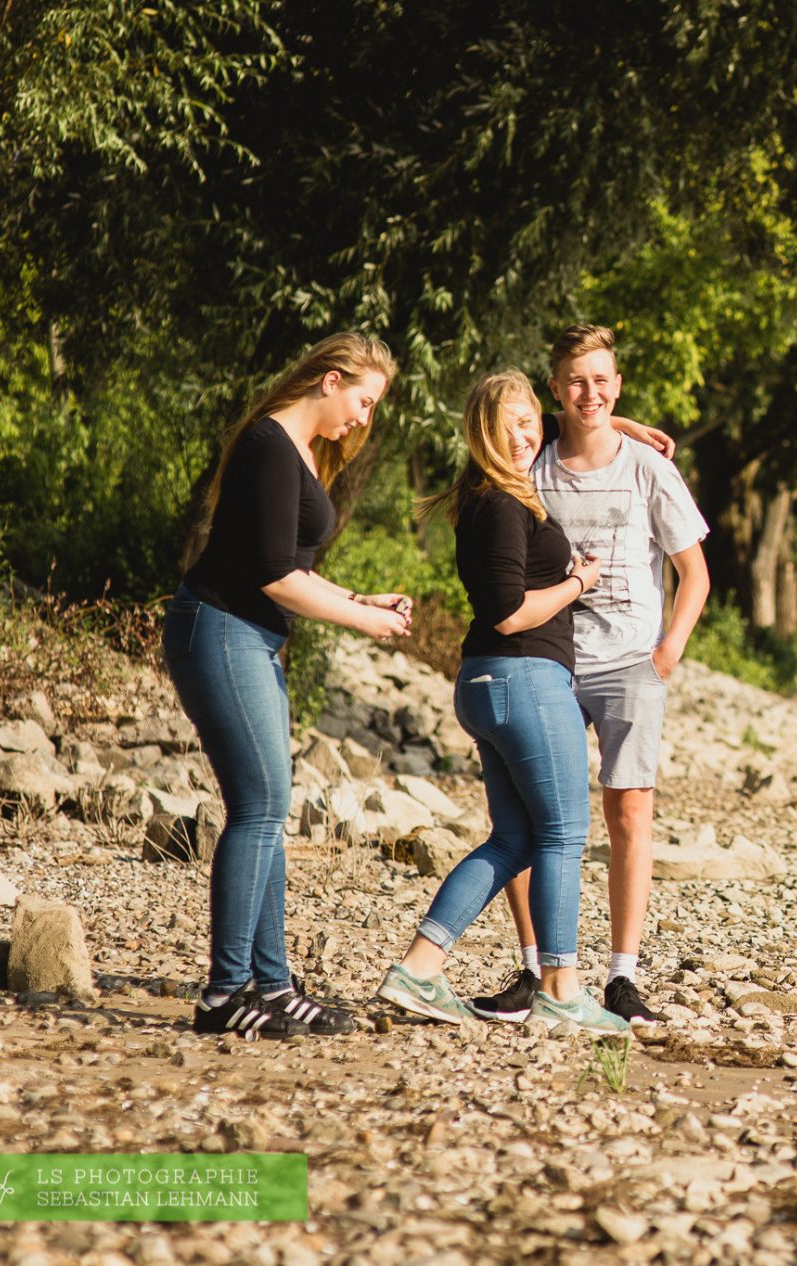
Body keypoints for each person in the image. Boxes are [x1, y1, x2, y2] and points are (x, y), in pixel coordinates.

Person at [165, 333, 409, 1040]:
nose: (363, 419)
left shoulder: (297, 452)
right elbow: (277, 579)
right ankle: (225, 993)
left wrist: (365, 597)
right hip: (220, 630)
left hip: (251, 637)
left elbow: (293, 566)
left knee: (268, 806)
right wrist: (363, 621)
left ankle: (270, 987)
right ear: (330, 381)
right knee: (261, 807)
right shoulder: (270, 445)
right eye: (363, 402)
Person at [469, 324, 710, 1029]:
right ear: (556, 389)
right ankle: (536, 966)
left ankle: (622, 977)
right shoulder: (530, 458)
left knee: (628, 810)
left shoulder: (648, 468)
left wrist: (668, 651)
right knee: (527, 816)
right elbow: (497, 421)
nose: (591, 393)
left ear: (619, 383)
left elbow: (693, 572)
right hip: (545, 661)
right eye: (576, 380)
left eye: (603, 380)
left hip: (631, 663)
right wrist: (577, 421)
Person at [376, 371, 630, 1036]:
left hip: (493, 683)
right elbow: (512, 612)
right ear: (483, 434)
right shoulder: (501, 503)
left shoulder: (495, 496)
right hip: (524, 678)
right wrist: (578, 582)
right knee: (564, 835)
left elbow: (570, 442)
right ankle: (561, 989)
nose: (524, 435)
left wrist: (620, 429)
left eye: (529, 421)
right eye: (507, 425)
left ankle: (418, 969)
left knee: (516, 838)